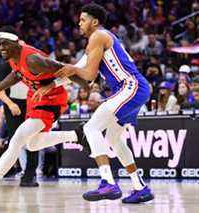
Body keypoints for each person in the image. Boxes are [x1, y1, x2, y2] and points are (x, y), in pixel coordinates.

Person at [0, 26, 88, 206]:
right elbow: (15, 76)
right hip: (34, 99)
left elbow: (66, 70)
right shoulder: (13, 58)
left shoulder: (33, 59)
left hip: (52, 100)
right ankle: (77, 135)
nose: (1, 48)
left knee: (17, 140)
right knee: (32, 144)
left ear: (16, 44)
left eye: (5, 44)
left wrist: (86, 84)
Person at [53, 3, 154, 203]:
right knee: (115, 140)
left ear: (95, 21)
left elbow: (88, 75)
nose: (79, 23)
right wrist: (52, 84)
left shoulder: (97, 36)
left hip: (129, 87)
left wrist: (68, 70)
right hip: (134, 89)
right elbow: (79, 67)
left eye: (83, 19)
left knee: (91, 128)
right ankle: (140, 187)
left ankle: (108, 182)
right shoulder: (98, 40)